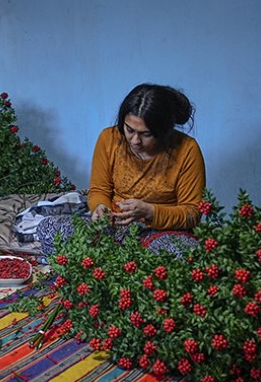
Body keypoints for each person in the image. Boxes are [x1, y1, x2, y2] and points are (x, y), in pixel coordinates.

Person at [86, 83, 206, 254]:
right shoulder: (109, 139)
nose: (135, 140)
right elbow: (99, 190)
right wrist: (100, 207)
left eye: (146, 134)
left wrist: (150, 211)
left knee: (180, 252)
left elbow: (192, 213)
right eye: (129, 130)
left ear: (163, 130)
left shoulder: (187, 150)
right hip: (116, 225)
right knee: (51, 228)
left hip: (161, 232)